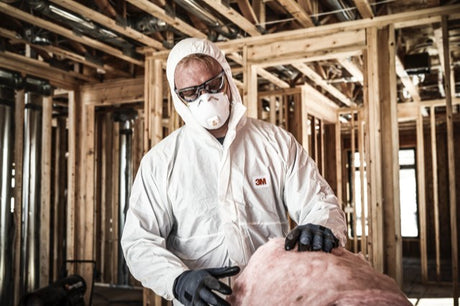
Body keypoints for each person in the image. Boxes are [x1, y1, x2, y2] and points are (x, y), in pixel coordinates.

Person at [121, 38, 347, 306]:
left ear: (227, 77)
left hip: (274, 297)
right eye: (191, 92)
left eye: (212, 84)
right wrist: (178, 280)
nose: (205, 97)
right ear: (178, 98)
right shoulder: (161, 162)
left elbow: (318, 202)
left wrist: (322, 226)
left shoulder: (275, 143)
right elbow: (139, 241)